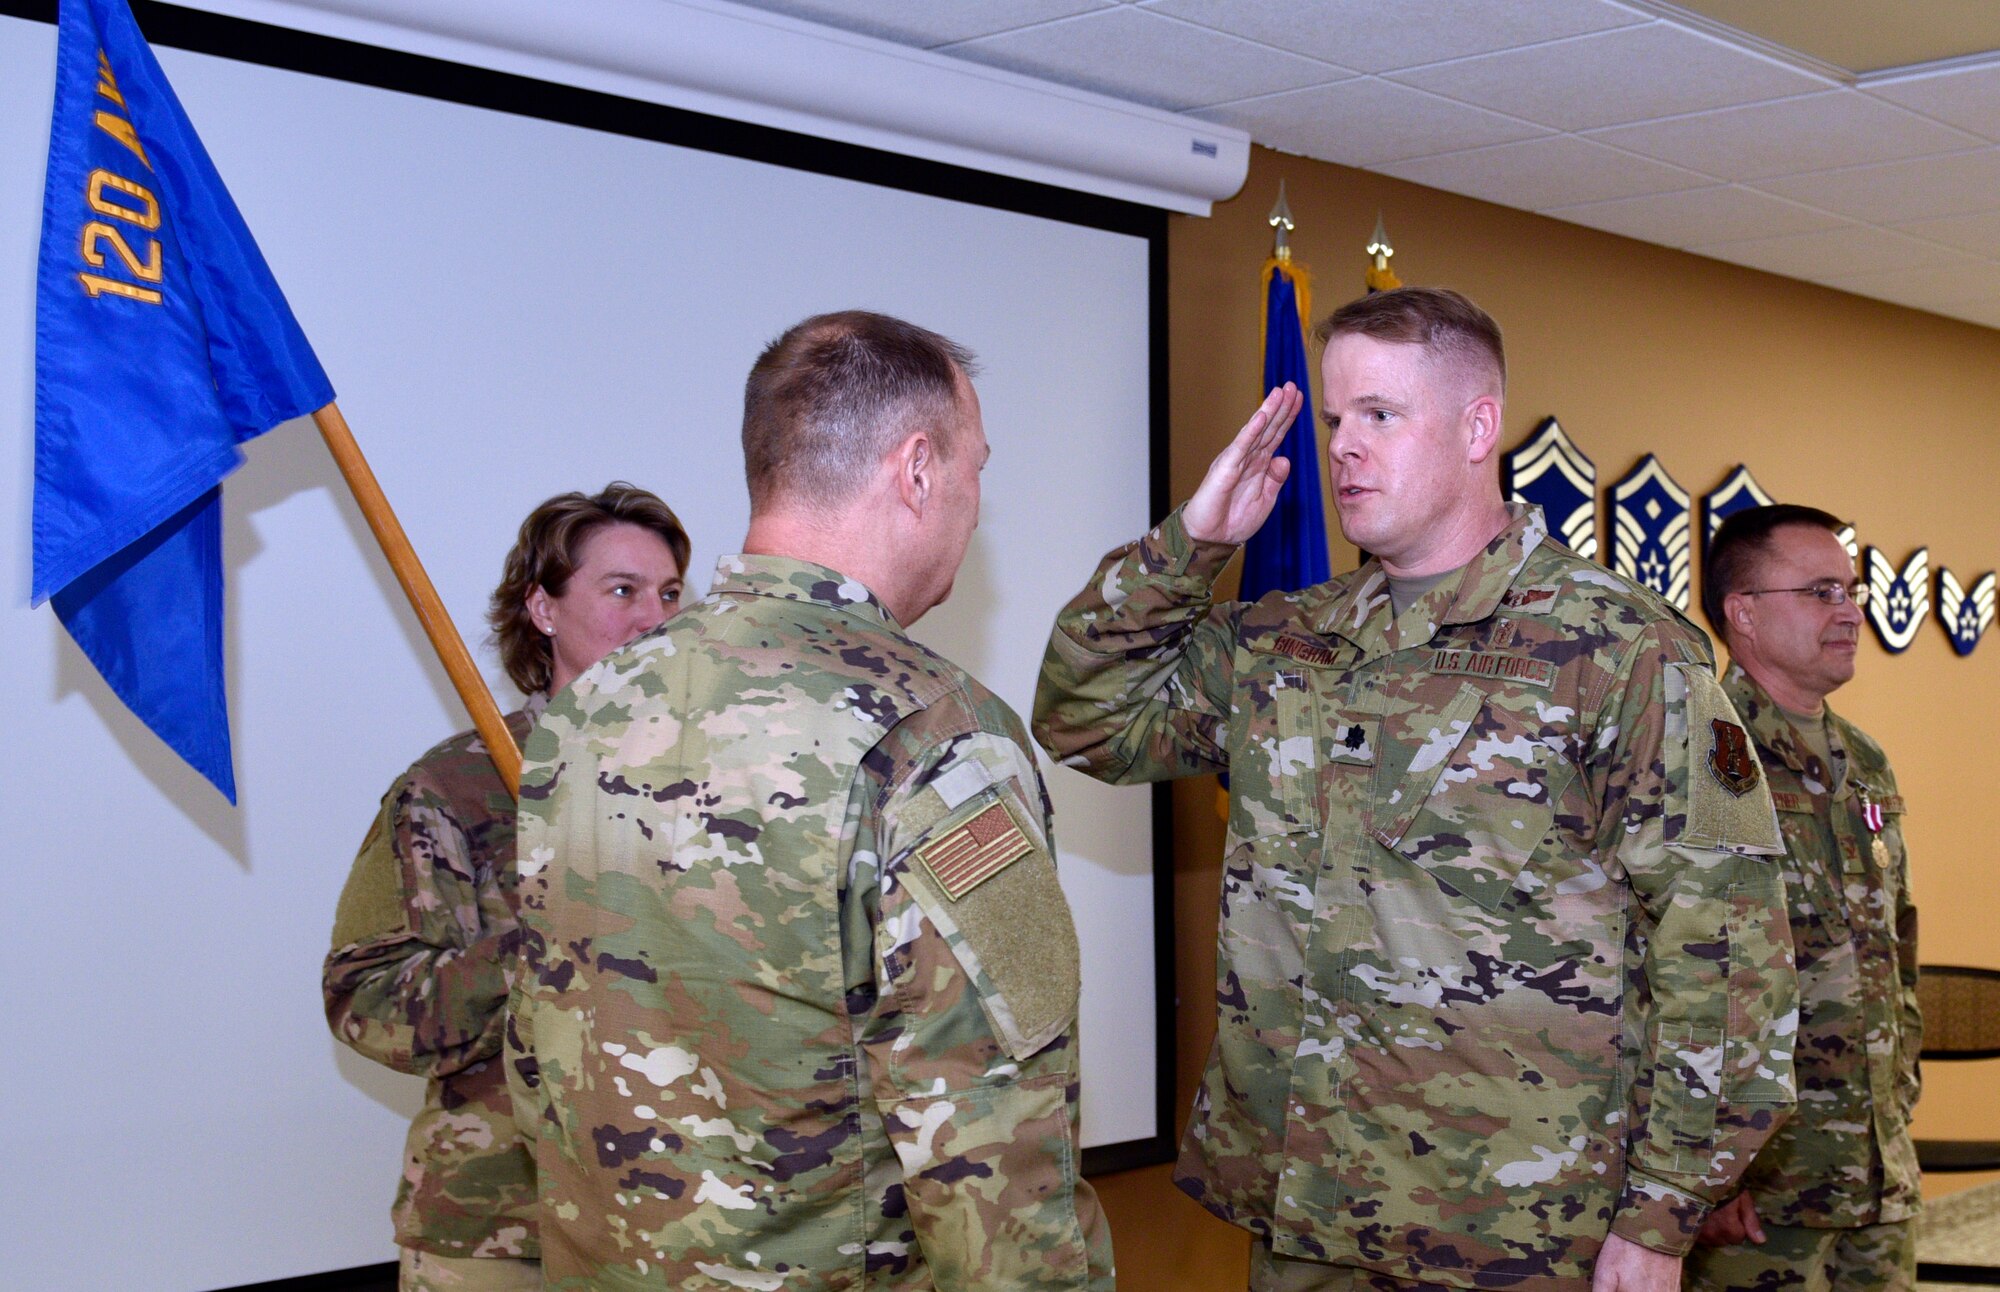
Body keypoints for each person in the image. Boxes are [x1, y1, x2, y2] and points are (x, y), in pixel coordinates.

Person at [1033, 287, 1798, 1292]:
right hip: (1303, 1208)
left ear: (1477, 425)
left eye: (1379, 415)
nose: (1342, 446)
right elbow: (1084, 715)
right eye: (1335, 418)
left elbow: (1726, 945)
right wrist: (1189, 547)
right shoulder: (1284, 641)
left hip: (1513, 1225)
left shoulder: (1614, 647)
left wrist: (1660, 1212)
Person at [506, 310, 1114, 1290]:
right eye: (975, 469)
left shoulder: (588, 707)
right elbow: (991, 1152)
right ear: (915, 467)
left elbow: (539, 1049)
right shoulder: (933, 731)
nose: (971, 502)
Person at [325, 483, 691, 1292]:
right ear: (544, 609)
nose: (654, 618)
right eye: (622, 590)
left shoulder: (720, 785)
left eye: (670, 593)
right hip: (505, 1229)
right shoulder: (457, 786)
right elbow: (368, 1003)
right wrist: (536, 933)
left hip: (687, 1227)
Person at [1684, 505, 1921, 1292]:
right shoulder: (1704, 756)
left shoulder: (1865, 760)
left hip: (1876, 1171)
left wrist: (1900, 1100)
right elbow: (1671, 973)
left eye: (1849, 590)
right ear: (1742, 612)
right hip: (1759, 1193)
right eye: (1820, 591)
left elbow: (1897, 944)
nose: (1848, 611)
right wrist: (1702, 1174)